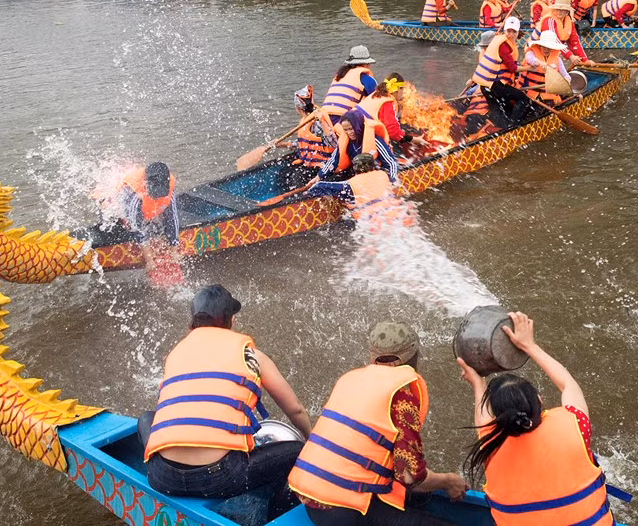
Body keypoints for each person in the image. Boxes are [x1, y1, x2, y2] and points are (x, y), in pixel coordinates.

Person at [142, 285, 312, 518]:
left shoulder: (175, 354)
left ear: (191, 323)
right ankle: (274, 516)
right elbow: (295, 410)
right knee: (297, 451)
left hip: (161, 476)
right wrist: (312, 442)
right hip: (220, 478)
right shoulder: (250, 355)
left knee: (146, 419)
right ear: (231, 320)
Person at [288, 321, 468, 525]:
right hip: (345, 511)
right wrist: (449, 481)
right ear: (413, 356)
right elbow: (409, 476)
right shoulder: (402, 394)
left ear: (371, 357)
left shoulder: (350, 380)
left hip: (310, 498)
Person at [459, 312, 615, 526]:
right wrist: (529, 346)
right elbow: (567, 384)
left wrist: (479, 385)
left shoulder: (489, 443)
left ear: (497, 417)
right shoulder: (576, 423)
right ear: (539, 401)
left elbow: (483, 421)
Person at [303, 153, 413, 229]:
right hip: (399, 219)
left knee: (346, 222)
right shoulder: (383, 175)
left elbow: (320, 185)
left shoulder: (351, 184)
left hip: (373, 226)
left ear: (355, 168)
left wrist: (307, 193)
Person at [466, 17, 531, 130]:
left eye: (514, 31)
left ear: (518, 32)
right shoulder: (503, 45)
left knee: (499, 114)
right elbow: (512, 68)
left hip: (485, 86)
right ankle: (513, 127)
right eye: (508, 31)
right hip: (495, 85)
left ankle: (501, 129)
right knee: (523, 99)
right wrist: (531, 68)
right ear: (504, 31)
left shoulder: (500, 41)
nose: (511, 34)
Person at [316, 110, 399, 184]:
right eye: (346, 130)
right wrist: (319, 176)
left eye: (352, 129)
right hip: (356, 175)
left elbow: (391, 163)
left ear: (359, 126)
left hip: (375, 176)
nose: (349, 133)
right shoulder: (346, 141)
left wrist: (392, 182)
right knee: (328, 182)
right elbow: (333, 160)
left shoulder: (375, 140)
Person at [356, 74, 429, 153]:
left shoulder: (377, 94)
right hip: (361, 133)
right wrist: (414, 140)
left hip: (353, 124)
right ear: (398, 89)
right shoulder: (388, 102)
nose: (403, 93)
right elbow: (392, 132)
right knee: (394, 150)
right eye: (402, 90)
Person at [322, 46, 378, 125]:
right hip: (344, 120)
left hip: (325, 118)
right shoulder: (367, 79)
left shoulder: (339, 76)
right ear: (366, 63)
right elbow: (378, 101)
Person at [517, 30, 573, 106]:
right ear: (540, 46)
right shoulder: (531, 53)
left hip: (547, 93)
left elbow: (565, 75)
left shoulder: (557, 59)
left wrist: (567, 80)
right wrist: (538, 62)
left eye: (549, 47)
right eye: (544, 47)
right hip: (530, 92)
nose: (546, 50)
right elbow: (529, 59)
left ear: (553, 48)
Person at [528, 0, 588, 65]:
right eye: (557, 9)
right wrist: (570, 56)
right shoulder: (549, 20)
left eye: (562, 10)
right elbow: (555, 41)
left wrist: (584, 59)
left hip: (551, 52)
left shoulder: (569, 22)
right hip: (536, 52)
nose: (559, 12)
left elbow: (575, 42)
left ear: (567, 11)